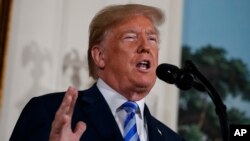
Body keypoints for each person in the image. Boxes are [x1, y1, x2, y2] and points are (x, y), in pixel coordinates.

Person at [10, 4, 185, 141]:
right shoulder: (47, 112)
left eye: (152, 38)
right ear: (100, 56)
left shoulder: (172, 138)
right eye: (131, 37)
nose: (146, 47)